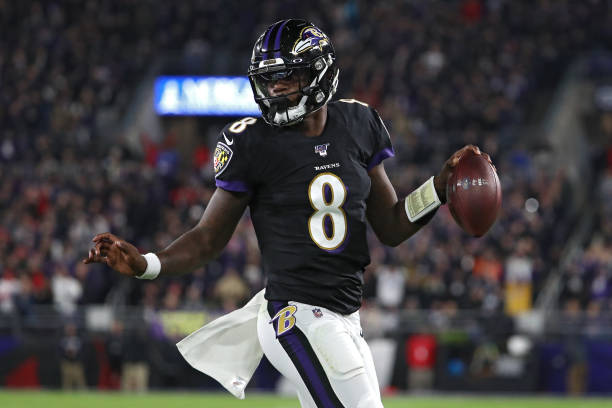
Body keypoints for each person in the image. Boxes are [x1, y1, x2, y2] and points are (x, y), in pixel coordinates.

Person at [84, 19, 492, 408]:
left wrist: (437, 189)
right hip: (295, 315)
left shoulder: (358, 123)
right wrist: (148, 264)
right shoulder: (254, 142)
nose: (276, 88)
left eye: (288, 77)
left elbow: (390, 224)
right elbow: (209, 237)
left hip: (346, 316)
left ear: (320, 74)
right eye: (269, 79)